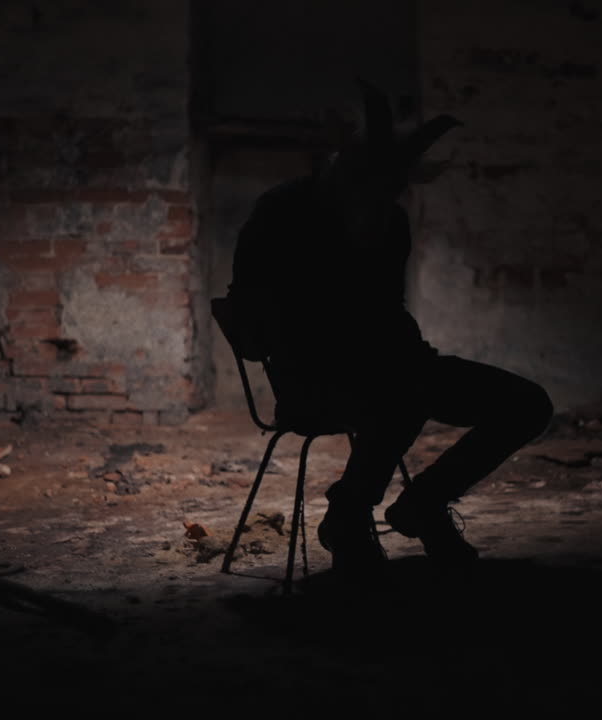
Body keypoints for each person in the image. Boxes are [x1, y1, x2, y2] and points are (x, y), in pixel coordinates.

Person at [229, 82, 553, 574]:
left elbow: (389, 312)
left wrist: (405, 353)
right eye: (373, 187)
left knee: (527, 404)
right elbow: (252, 316)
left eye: (392, 190)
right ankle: (348, 516)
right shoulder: (281, 213)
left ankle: (422, 503)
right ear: (344, 171)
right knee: (400, 394)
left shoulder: (390, 222)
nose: (382, 201)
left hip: (398, 367)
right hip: (311, 379)